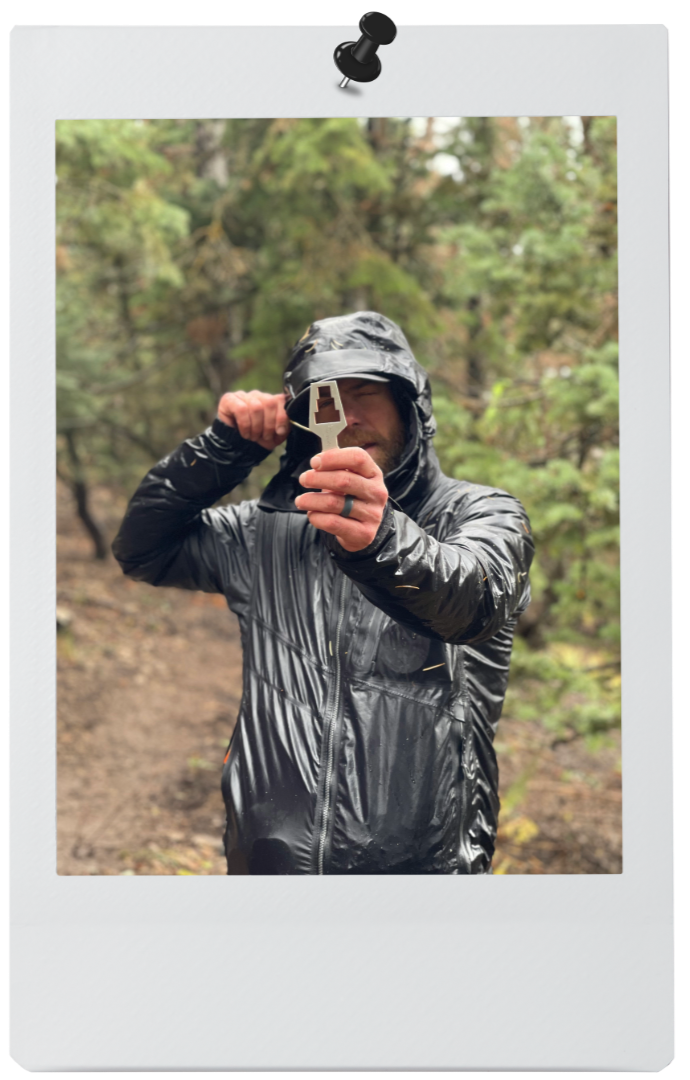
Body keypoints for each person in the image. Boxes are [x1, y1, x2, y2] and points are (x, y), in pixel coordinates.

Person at [112, 311, 535, 874]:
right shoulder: (264, 530)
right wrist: (224, 448)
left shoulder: (479, 513)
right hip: (267, 864)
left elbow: (474, 602)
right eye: (326, 398)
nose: (350, 415)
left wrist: (380, 539)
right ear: (306, 419)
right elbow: (143, 549)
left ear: (411, 405)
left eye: (366, 392)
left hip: (425, 875)